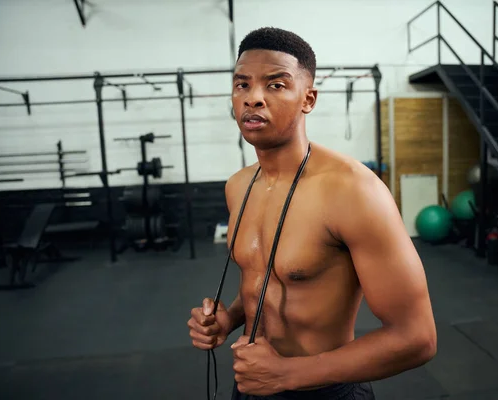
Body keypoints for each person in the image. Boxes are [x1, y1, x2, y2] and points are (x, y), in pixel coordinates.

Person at [187, 27, 437, 400]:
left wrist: (288, 374)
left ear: (308, 99)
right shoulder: (238, 186)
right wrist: (230, 318)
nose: (253, 98)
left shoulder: (353, 191)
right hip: (254, 384)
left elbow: (417, 338)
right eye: (242, 85)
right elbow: (266, 279)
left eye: (275, 85)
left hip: (326, 390)